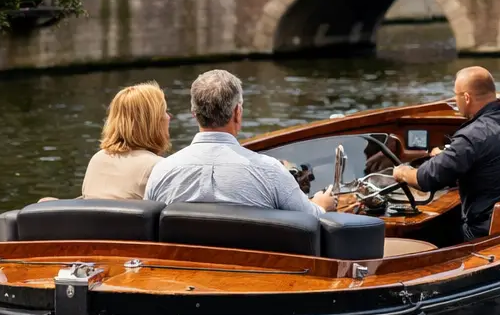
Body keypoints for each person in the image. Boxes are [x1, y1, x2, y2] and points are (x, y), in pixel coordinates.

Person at [146, 70, 340, 214]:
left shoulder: (163, 172)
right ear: (237, 113)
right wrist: (322, 205)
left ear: (194, 115)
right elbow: (311, 218)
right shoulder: (270, 172)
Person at [392, 66, 500, 240]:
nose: (455, 102)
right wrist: (447, 155)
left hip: (483, 234)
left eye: (455, 96)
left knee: (417, 234)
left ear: (466, 97)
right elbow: (482, 151)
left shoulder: (472, 135)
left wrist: (402, 172)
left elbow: (425, 179)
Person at [79, 82, 173, 200]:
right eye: (164, 111)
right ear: (152, 122)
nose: (169, 117)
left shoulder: (97, 159)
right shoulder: (158, 167)